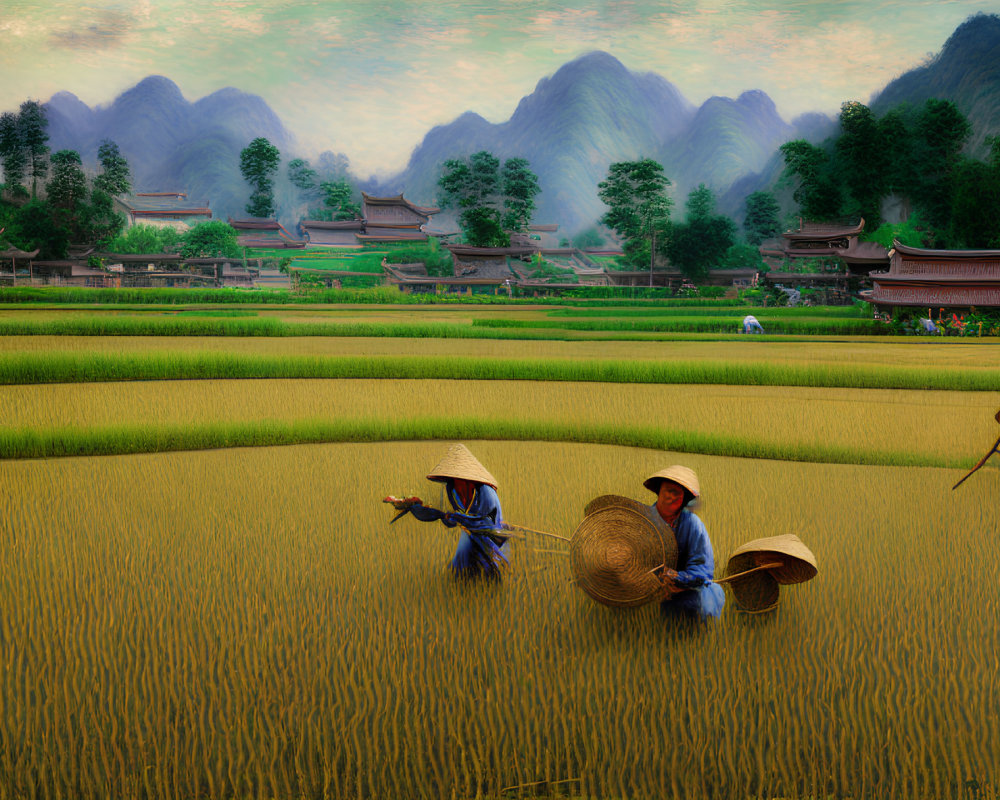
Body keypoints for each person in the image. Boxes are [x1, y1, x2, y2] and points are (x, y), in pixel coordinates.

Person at [402, 443, 510, 579]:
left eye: (459, 478)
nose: (456, 481)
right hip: (470, 534)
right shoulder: (452, 489)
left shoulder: (486, 492)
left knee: (492, 570)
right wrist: (448, 518)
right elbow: (453, 520)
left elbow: (488, 521)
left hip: (491, 536)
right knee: (460, 567)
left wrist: (459, 518)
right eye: (452, 478)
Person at [643, 465, 724, 620]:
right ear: (659, 490)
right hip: (646, 587)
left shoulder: (693, 524)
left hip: (682, 588)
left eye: (677, 494)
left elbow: (702, 570)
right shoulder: (643, 520)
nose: (671, 497)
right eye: (668, 490)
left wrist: (676, 578)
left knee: (705, 599)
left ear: (684, 500)